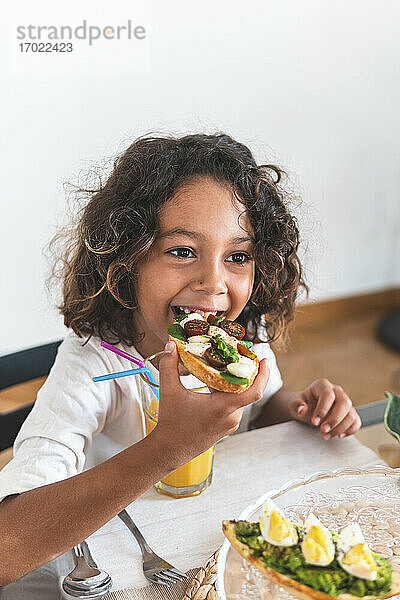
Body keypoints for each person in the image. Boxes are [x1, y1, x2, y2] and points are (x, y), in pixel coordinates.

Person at [0, 133, 361, 589]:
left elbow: (264, 408)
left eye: (238, 256)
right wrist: (169, 446)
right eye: (182, 251)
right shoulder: (92, 365)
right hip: (116, 559)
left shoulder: (239, 343)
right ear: (126, 258)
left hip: (214, 545)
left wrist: (299, 409)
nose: (214, 284)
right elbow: (6, 547)